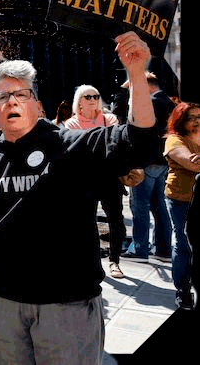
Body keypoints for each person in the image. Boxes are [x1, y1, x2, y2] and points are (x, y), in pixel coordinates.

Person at [0, 32, 158, 365]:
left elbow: (138, 140)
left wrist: (137, 76)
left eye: (21, 94)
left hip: (66, 306)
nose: (11, 102)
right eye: (2, 96)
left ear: (38, 105)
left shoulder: (73, 146)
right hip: (5, 306)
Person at [64, 85, 127, 279]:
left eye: (95, 96)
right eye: (87, 96)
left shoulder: (111, 120)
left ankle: (114, 261)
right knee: (85, 221)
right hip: (85, 180)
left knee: (116, 220)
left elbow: (115, 147)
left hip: (109, 178)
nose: (92, 99)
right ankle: (89, 262)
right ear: (79, 102)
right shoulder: (71, 124)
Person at [123, 71, 176, 263]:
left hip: (146, 162)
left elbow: (142, 134)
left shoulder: (152, 103)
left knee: (141, 206)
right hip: (162, 162)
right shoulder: (170, 103)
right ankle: (163, 249)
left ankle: (139, 249)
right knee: (159, 205)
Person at [163, 102, 200, 309]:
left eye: (199, 116)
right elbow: (192, 163)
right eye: (191, 117)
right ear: (180, 119)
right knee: (182, 243)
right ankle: (182, 290)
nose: (196, 121)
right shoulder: (173, 140)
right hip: (180, 198)